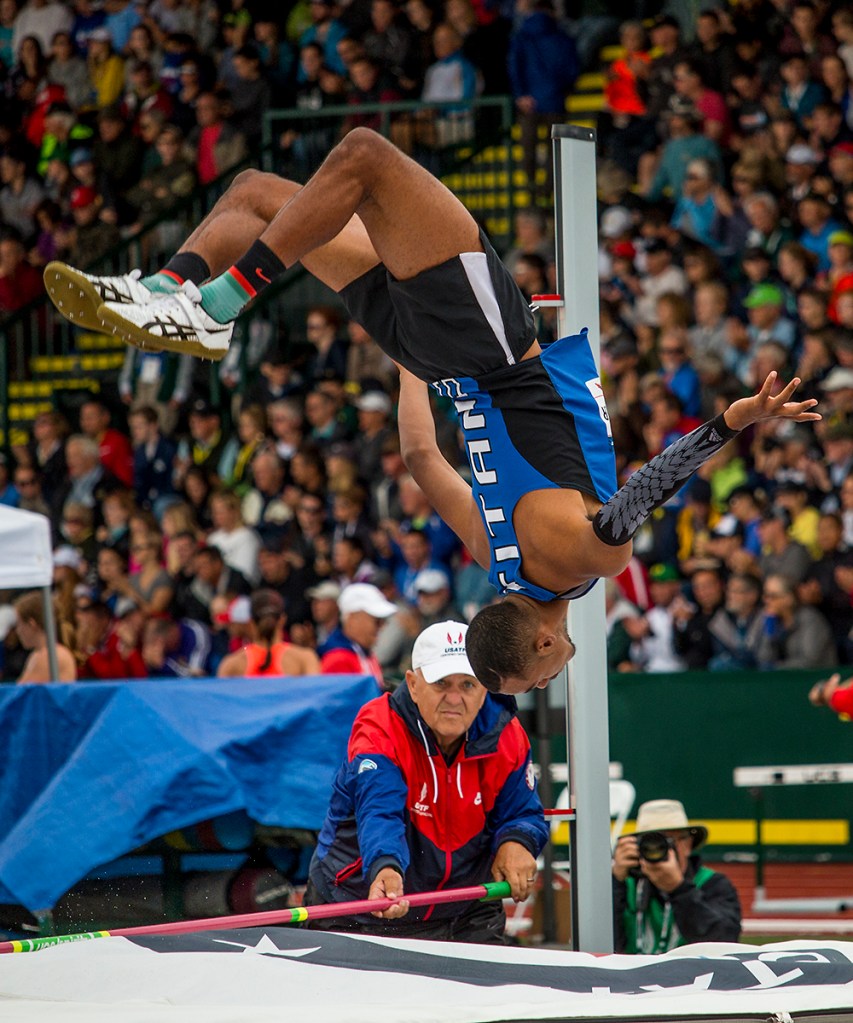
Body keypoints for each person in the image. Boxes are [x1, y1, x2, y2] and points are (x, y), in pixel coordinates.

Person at [44, 129, 821, 693]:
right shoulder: (493, 557)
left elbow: (649, 486)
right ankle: (157, 291)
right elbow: (421, 455)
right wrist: (410, 360)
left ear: (544, 638)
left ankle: (211, 301)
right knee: (253, 194)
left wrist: (731, 422)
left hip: (482, 344)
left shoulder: (592, 562)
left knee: (363, 157)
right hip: (431, 357)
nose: (549, 679)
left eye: (535, 677)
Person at [305, 620, 548, 942]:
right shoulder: (379, 728)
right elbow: (380, 810)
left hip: (465, 910)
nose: (454, 698)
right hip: (361, 907)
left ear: (484, 689)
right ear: (413, 684)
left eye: (467, 685)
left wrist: (517, 841)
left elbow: (521, 812)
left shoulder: (507, 735)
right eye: (441, 683)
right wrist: (385, 867)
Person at [611, 798, 741, 954]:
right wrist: (615, 882)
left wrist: (679, 889)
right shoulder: (627, 884)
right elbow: (599, 942)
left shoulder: (712, 884)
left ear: (688, 844)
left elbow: (725, 942)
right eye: (651, 843)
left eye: (669, 842)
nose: (659, 850)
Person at [217, 589, 321, 678]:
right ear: (282, 620)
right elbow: (315, 698)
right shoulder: (305, 659)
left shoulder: (231, 665)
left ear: (251, 622)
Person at [14, 590, 77, 683]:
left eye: (19, 624)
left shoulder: (53, 655)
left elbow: (24, 694)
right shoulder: (37, 654)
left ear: (32, 624)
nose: (17, 631)